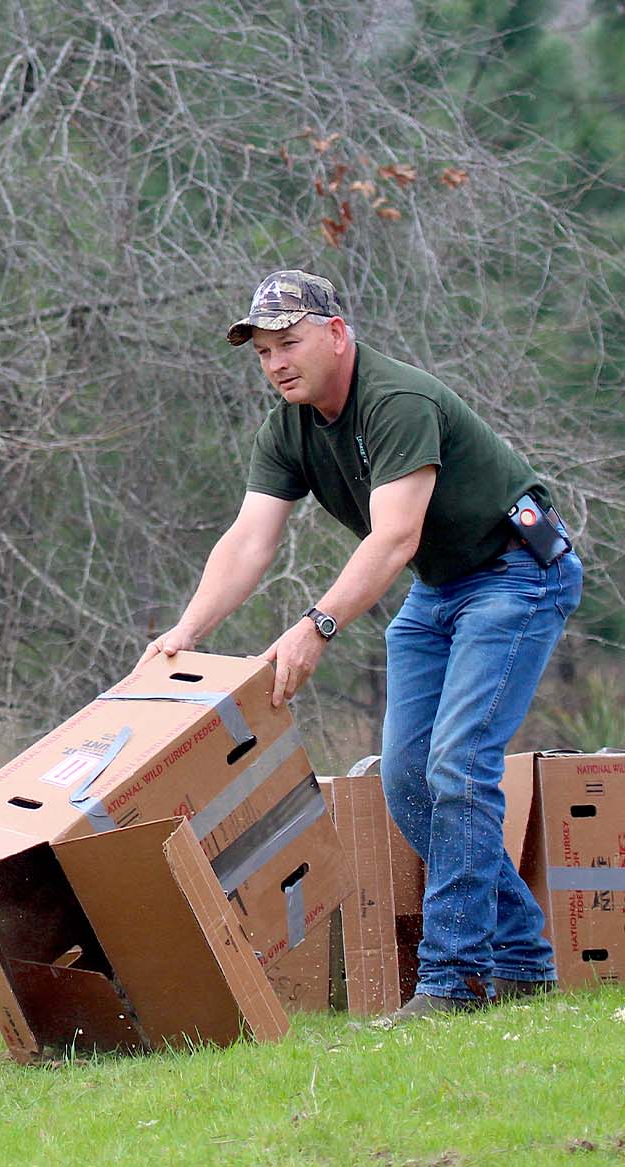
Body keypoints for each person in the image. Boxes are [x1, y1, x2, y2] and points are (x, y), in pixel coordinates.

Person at [146, 269, 583, 1019]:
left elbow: (395, 537)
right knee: (409, 777)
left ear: (337, 333)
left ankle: (453, 984)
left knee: (458, 764)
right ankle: (523, 962)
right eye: (262, 353)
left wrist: (316, 626)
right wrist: (185, 632)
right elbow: (250, 539)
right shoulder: (289, 427)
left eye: (289, 343)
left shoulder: (395, 401)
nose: (276, 363)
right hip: (441, 589)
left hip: (516, 577)